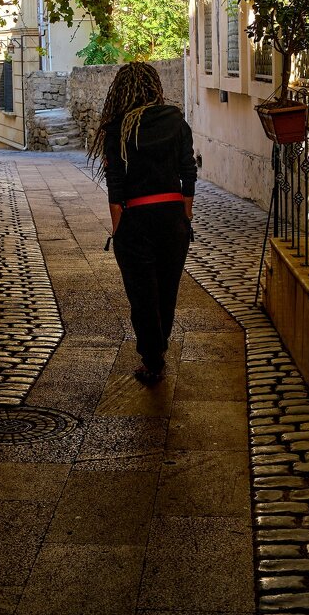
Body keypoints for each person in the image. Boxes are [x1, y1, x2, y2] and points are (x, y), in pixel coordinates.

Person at [88, 62, 196, 385]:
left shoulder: (117, 128)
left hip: (136, 219)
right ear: (154, 86)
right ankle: (157, 348)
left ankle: (152, 358)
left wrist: (118, 229)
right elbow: (188, 172)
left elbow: (115, 185)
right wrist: (185, 217)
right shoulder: (176, 120)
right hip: (172, 218)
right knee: (167, 290)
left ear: (121, 91)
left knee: (142, 294)